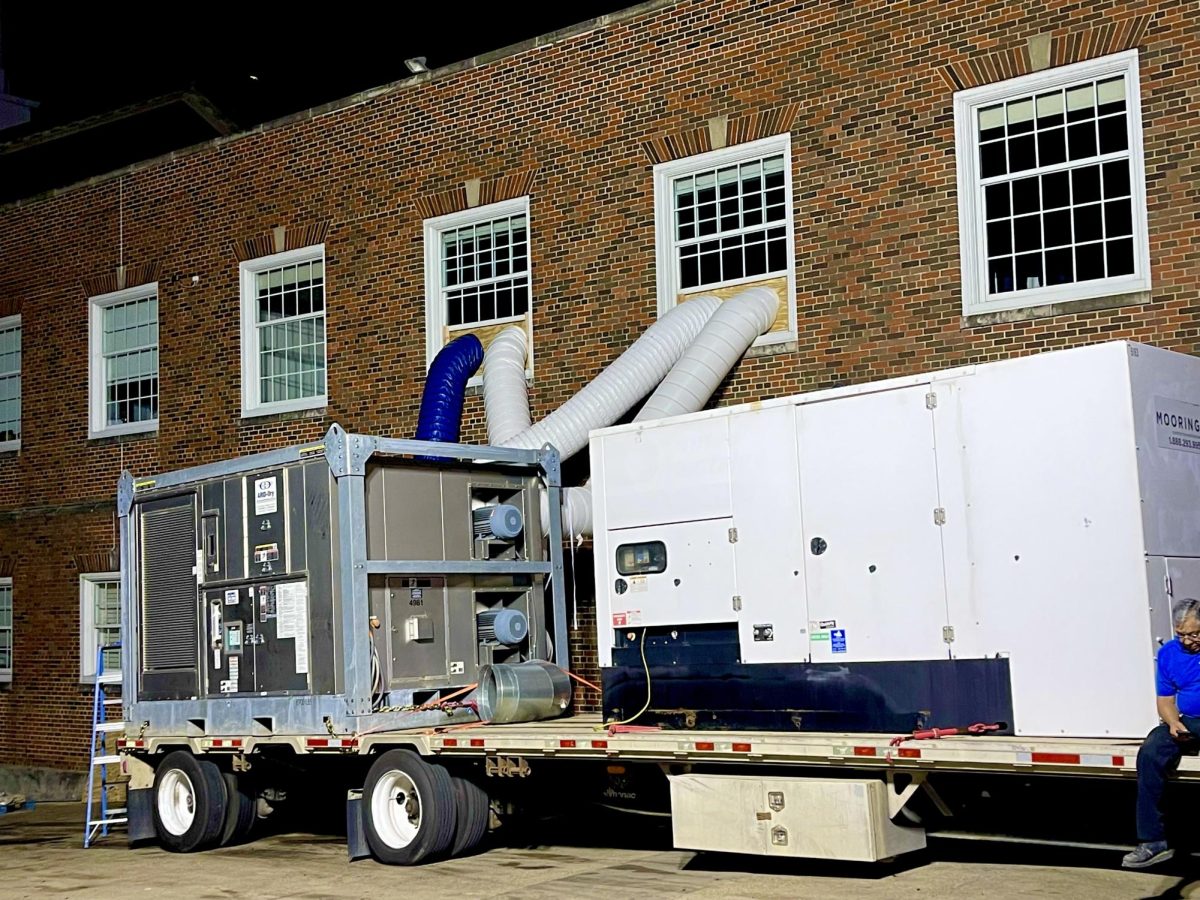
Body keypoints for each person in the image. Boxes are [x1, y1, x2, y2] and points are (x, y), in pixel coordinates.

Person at [1123, 597, 1200, 869]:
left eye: (1194, 634)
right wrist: (1172, 723)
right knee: (1151, 752)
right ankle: (1152, 841)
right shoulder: (1169, 654)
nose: (1188, 641)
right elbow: (1165, 700)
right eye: (1181, 635)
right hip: (1190, 721)